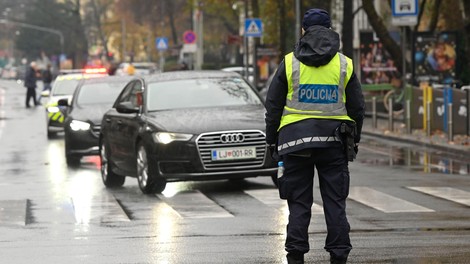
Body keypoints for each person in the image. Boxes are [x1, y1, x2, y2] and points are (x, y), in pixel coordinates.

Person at [264, 8, 365, 264]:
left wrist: (271, 139)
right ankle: (339, 254)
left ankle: (296, 255)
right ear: (330, 29)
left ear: (303, 31)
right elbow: (357, 107)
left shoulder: (289, 62)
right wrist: (356, 137)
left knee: (299, 203)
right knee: (335, 202)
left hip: (294, 143)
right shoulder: (345, 63)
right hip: (334, 142)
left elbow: (273, 105)